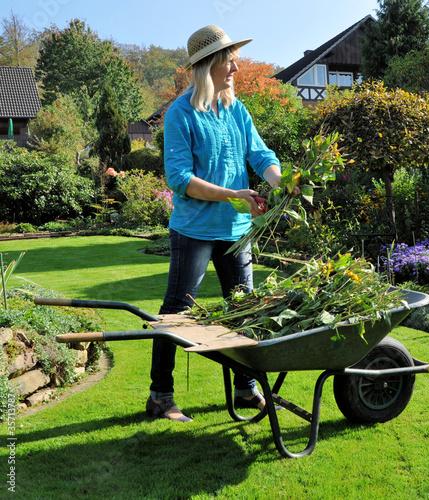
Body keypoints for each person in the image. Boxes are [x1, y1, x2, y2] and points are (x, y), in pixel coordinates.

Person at [146, 25, 285, 421]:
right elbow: (180, 179)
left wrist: (282, 181)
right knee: (176, 311)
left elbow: (260, 155)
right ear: (208, 65)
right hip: (194, 231)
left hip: (236, 232)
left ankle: (245, 389)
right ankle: (160, 396)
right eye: (230, 60)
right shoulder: (180, 113)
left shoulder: (237, 110)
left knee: (242, 310)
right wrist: (234, 196)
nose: (237, 68)